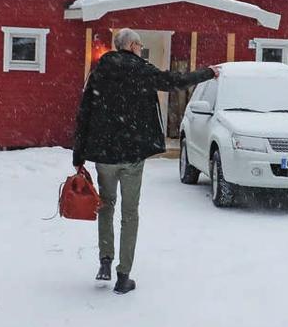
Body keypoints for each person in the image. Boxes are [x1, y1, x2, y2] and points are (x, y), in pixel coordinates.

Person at [72, 28, 219, 293]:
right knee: (130, 214)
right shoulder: (141, 70)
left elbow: (84, 111)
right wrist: (207, 73)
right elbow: (176, 81)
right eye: (139, 44)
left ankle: (105, 261)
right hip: (131, 155)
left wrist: (78, 155)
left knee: (105, 206)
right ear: (130, 45)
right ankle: (123, 275)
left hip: (103, 154)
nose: (140, 48)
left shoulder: (99, 71)